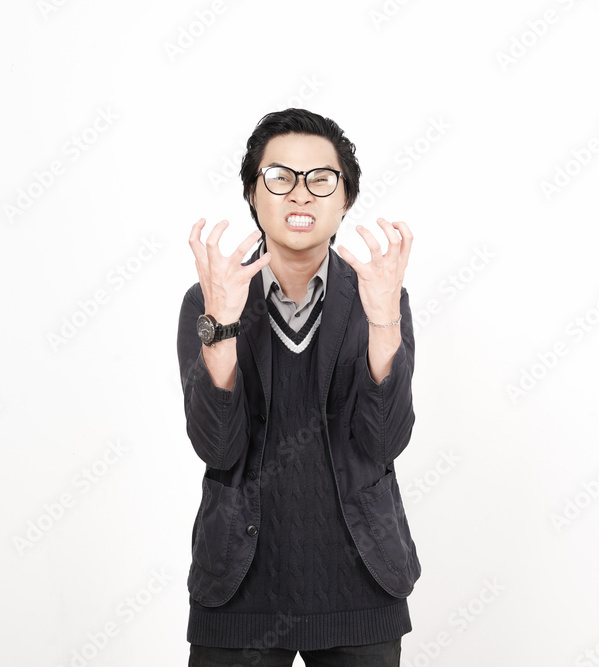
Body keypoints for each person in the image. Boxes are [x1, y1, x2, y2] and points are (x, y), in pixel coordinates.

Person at [177, 107, 421, 666]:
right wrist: (223, 325)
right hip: (237, 587)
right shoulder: (208, 302)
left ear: (345, 198)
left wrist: (384, 320)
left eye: (321, 179)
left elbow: (384, 441)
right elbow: (219, 448)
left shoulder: (380, 297)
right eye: (280, 177)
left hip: (358, 585)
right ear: (252, 193)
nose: (300, 194)